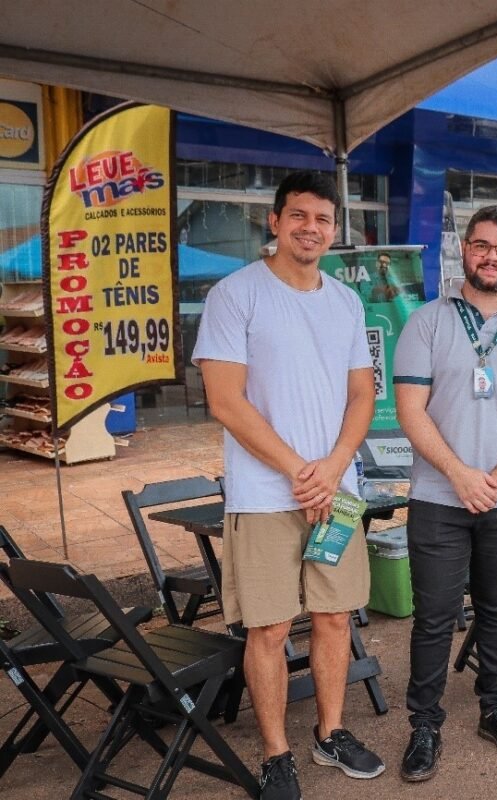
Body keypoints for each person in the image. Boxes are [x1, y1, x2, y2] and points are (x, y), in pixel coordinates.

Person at [194, 171, 384, 800]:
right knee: (270, 629)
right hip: (264, 496)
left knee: (334, 617)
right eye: (298, 215)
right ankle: (276, 751)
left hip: (337, 493)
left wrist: (332, 467)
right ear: (274, 221)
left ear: (335, 230)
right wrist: (302, 470)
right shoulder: (234, 295)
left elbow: (363, 394)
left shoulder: (346, 301)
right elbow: (226, 400)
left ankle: (331, 732)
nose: (311, 228)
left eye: (323, 219)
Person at [392, 205, 497, 782]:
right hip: (438, 497)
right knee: (434, 617)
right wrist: (460, 474)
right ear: (465, 250)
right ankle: (424, 724)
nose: (493, 257)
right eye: (482, 246)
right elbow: (410, 411)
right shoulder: (427, 322)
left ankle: (496, 709)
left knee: (496, 609)